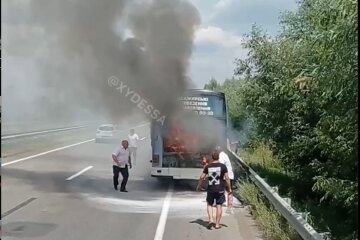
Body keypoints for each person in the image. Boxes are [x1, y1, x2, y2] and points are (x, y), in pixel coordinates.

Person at [196, 151, 232, 230]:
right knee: (219, 205)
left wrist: (199, 186)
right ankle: (217, 224)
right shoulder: (223, 166)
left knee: (209, 204)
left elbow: (202, 177)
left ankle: (210, 220)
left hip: (211, 189)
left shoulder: (208, 166)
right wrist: (229, 189)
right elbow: (227, 178)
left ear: (212, 157)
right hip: (220, 189)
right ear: (218, 157)